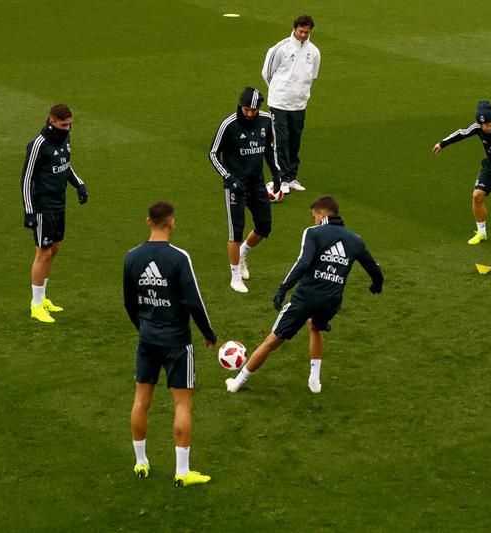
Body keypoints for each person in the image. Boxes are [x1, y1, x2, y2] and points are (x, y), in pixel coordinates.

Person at [226, 196, 384, 394]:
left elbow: (303, 263)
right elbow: (373, 267)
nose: (314, 221)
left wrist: (283, 288)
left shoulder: (314, 233)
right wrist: (377, 284)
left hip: (306, 299)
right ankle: (314, 380)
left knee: (271, 342)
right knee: (315, 326)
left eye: (314, 216)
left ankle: (237, 383)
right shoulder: (355, 240)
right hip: (332, 302)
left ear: (322, 214)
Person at [123, 201, 218, 487]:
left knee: (141, 401)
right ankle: (182, 471)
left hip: (147, 339)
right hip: (177, 341)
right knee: (182, 405)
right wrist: (209, 333)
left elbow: (129, 303)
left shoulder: (132, 257)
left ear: (148, 221)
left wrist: (143, 327)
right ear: (171, 222)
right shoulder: (179, 258)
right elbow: (194, 301)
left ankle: (141, 462)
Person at [20, 104, 89, 323]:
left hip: (59, 203)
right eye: (63, 125)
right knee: (43, 253)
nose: (67, 128)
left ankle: (43, 297)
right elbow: (26, 179)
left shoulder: (64, 138)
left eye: (70, 124)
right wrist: (29, 211)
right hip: (43, 206)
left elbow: (64, 164)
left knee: (54, 250)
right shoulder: (38, 144)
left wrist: (78, 184)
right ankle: (36, 304)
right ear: (52, 121)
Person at [209, 87, 281, 294]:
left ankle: (241, 254)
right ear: (240, 106)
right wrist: (228, 177)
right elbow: (213, 154)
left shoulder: (266, 121)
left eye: (253, 110)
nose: (249, 114)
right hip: (235, 186)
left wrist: (276, 173)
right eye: (246, 109)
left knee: (264, 226)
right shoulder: (229, 124)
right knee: (236, 231)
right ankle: (235, 277)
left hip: (257, 183)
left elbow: (269, 149)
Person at [432, 100, 491, 249]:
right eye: (482, 125)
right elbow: (462, 132)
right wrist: (442, 143)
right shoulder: (478, 127)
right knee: (477, 195)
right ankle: (481, 232)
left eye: (488, 124)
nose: (485, 128)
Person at [262, 14, 321, 194]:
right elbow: (267, 73)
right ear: (294, 29)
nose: (303, 35)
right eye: (301, 31)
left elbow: (312, 77)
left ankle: (291, 177)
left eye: (306, 32)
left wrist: (300, 94)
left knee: (295, 142)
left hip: (299, 105)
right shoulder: (280, 49)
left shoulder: (314, 52)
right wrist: (280, 91)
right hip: (279, 103)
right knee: (281, 141)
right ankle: (280, 179)